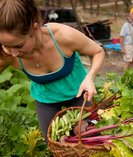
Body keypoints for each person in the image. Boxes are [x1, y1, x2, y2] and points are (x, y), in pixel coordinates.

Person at [0, 0, 105, 142]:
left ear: (35, 28)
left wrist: (90, 77)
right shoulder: (7, 55)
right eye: (6, 45)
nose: (13, 53)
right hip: (46, 100)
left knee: (85, 137)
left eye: (18, 45)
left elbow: (98, 51)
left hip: (79, 94)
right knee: (54, 144)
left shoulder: (63, 37)